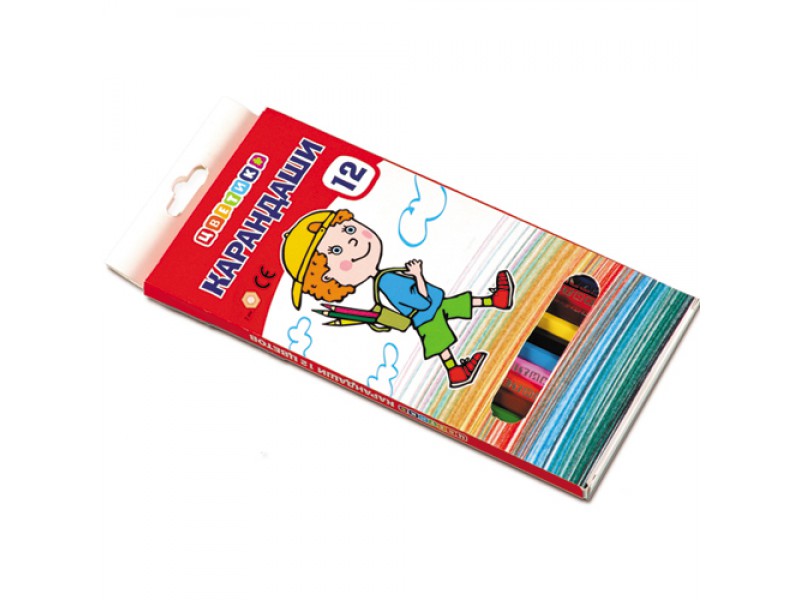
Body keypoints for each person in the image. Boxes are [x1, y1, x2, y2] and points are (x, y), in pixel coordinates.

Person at [281, 209, 515, 388]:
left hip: (432, 306)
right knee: (442, 343)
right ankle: (456, 372)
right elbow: (421, 301)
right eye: (335, 251)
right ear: (329, 278)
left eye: (349, 230)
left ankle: (497, 300)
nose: (352, 242)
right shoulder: (386, 281)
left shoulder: (385, 278)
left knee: (459, 304)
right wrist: (418, 274)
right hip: (426, 315)